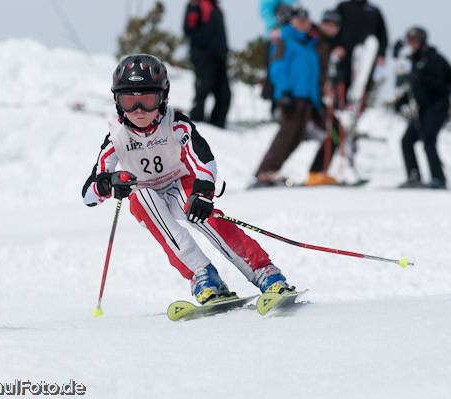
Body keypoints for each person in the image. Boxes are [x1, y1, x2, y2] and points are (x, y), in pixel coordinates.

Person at [82, 54, 294, 304]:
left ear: (163, 98)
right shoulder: (116, 138)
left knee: (208, 219)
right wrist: (108, 184)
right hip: (149, 199)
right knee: (142, 198)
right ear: (118, 102)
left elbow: (204, 160)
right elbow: (89, 196)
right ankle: (203, 275)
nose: (139, 111)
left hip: (181, 186)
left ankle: (263, 271)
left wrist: (203, 192)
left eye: (147, 100)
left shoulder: (176, 124)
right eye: (129, 101)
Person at [254, 7, 320, 186]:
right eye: (298, 20)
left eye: (305, 20)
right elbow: (277, 67)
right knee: (287, 133)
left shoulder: (309, 45)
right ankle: (263, 172)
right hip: (291, 95)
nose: (302, 22)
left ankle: (272, 171)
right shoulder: (284, 40)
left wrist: (315, 100)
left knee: (297, 136)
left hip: (306, 97)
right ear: (291, 22)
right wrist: (284, 93)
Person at [394, 27, 450, 189]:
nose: (410, 45)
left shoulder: (434, 59)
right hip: (422, 109)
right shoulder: (415, 61)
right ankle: (414, 175)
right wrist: (401, 102)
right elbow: (414, 87)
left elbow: (439, 83)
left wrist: (418, 78)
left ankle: (438, 178)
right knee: (407, 140)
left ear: (420, 41)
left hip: (437, 107)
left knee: (428, 140)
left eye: (412, 41)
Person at [306, 10, 344, 186]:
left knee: (336, 131)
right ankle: (315, 173)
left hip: (317, 96)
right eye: (327, 22)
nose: (330, 26)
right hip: (307, 97)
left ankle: (317, 172)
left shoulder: (330, 44)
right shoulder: (313, 38)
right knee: (333, 131)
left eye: (334, 24)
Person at [183, 0, 231, 128]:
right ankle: (197, 124)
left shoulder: (217, 8)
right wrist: (206, 44)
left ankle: (217, 126)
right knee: (203, 90)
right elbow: (189, 28)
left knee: (224, 93)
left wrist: (223, 50)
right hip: (203, 57)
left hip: (219, 57)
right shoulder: (196, 5)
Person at [332, 0, 388, 105]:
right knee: (342, 81)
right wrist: (336, 45)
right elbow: (333, 26)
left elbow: (382, 34)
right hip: (346, 53)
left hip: (367, 56)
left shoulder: (374, 11)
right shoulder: (344, 7)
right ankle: (338, 106)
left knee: (363, 83)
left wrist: (382, 54)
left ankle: (358, 106)